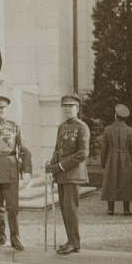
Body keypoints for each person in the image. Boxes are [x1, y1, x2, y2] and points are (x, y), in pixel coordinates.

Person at [0, 96, 32, 251]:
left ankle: (15, 237)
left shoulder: (14, 126)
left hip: (10, 170)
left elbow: (24, 150)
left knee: (12, 207)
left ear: (6, 110)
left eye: (1, 108)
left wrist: (27, 171)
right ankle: (1, 236)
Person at [47, 95, 90, 255]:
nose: (67, 109)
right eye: (64, 106)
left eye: (70, 106)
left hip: (73, 173)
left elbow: (83, 153)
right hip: (62, 174)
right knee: (65, 209)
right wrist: (53, 162)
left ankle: (74, 242)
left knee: (70, 209)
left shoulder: (82, 127)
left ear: (77, 109)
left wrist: (61, 166)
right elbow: (58, 148)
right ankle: (70, 241)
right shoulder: (61, 126)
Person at [100, 104, 132, 216]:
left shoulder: (107, 129)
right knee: (126, 181)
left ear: (115, 116)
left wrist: (103, 163)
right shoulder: (130, 130)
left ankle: (110, 209)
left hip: (111, 158)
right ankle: (126, 209)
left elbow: (104, 148)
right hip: (125, 158)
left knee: (110, 181)